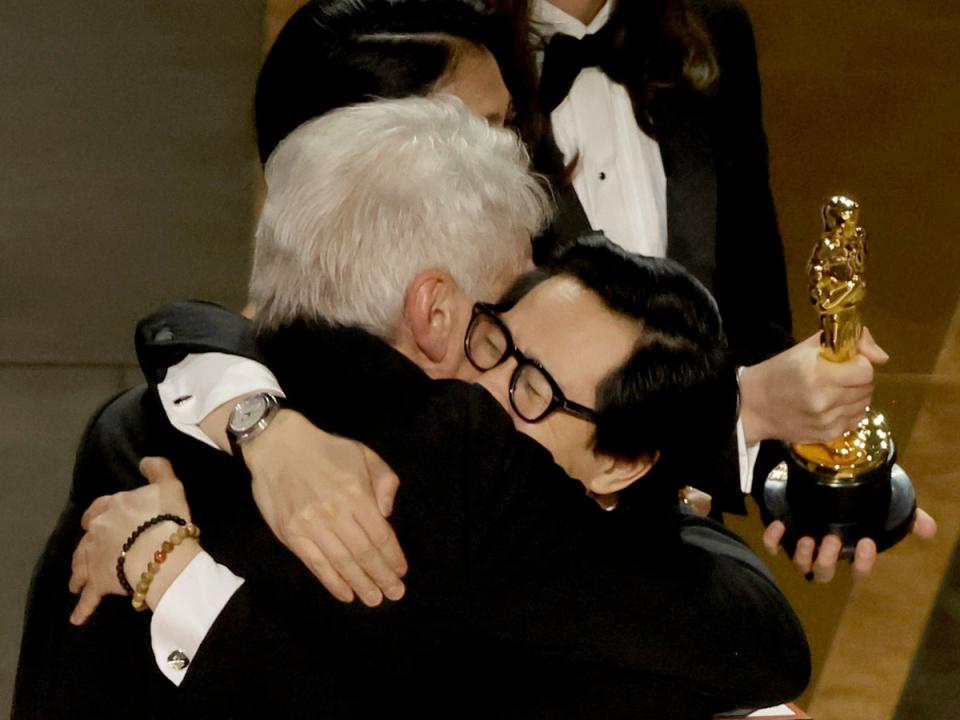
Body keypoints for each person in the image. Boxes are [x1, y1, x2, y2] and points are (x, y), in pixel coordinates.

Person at [16, 97, 808, 719]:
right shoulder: (466, 465)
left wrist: (184, 566)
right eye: (497, 327)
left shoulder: (137, 425)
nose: (493, 390)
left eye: (527, 380)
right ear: (436, 310)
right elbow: (757, 638)